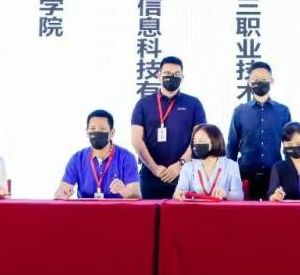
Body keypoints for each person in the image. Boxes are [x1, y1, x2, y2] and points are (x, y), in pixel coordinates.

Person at [131, 56, 206, 199]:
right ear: (159, 76)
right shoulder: (143, 104)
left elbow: (200, 138)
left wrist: (180, 165)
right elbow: (136, 141)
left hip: (185, 174)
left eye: (177, 74)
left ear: (182, 78)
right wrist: (154, 168)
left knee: (184, 213)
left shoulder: (194, 104)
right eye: (167, 73)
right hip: (150, 175)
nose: (172, 77)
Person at [228, 61, 292, 200]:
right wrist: (227, 177)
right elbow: (232, 146)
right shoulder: (240, 111)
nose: (260, 82)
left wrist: (289, 174)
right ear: (249, 82)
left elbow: (289, 146)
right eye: (256, 79)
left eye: (264, 79)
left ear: (272, 81)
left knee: (273, 213)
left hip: (274, 176)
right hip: (245, 176)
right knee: (245, 213)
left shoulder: (283, 111)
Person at [56, 109, 141, 199]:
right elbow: (59, 193)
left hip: (117, 208)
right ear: (87, 132)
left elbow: (136, 197)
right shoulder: (77, 159)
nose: (96, 132)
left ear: (112, 133)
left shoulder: (127, 158)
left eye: (102, 129)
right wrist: (63, 194)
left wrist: (123, 191)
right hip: (85, 208)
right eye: (92, 128)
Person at [174, 124, 244, 200]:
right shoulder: (188, 167)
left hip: (221, 207)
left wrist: (225, 195)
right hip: (196, 207)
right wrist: (178, 194)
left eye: (201, 141)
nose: (196, 144)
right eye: (194, 141)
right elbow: (178, 192)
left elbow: (239, 196)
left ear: (215, 141)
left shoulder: (231, 165)